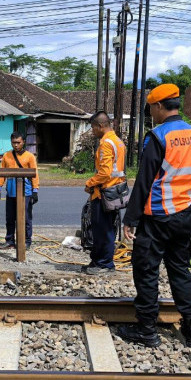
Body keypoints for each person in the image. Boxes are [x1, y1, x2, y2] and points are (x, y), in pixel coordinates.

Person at [119, 83, 191, 349]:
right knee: (179, 269)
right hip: (185, 213)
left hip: (157, 216)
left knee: (146, 270)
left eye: (150, 108)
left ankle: (147, 330)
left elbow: (144, 181)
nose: (151, 114)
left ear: (158, 106)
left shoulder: (158, 136)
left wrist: (130, 219)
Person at [82, 111, 126, 275]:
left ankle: (105, 264)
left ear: (101, 126)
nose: (92, 131)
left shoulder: (106, 143)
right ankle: (97, 261)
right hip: (113, 192)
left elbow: (105, 173)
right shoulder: (118, 141)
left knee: (103, 229)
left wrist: (89, 183)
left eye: (93, 127)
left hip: (104, 193)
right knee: (105, 228)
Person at [0, 132, 39, 250]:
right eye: (13, 142)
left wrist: (35, 190)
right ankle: (9, 240)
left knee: (25, 217)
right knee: (10, 217)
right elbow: (2, 173)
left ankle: (26, 241)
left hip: (26, 191)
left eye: (18, 142)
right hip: (11, 191)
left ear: (23, 142)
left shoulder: (30, 156)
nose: (16, 145)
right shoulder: (6, 156)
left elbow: (35, 174)